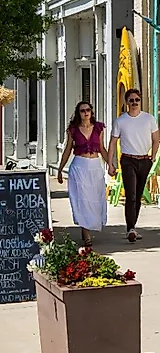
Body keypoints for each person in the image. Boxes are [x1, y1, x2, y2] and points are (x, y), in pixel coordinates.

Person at [108, 89, 160, 243]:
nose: (135, 103)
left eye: (137, 99)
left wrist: (153, 156)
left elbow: (156, 139)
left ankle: (133, 227)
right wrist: (110, 163)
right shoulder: (120, 121)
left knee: (137, 196)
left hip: (144, 160)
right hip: (128, 160)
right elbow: (112, 142)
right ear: (126, 102)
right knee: (130, 195)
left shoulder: (149, 119)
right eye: (131, 100)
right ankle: (130, 228)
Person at [57, 101, 109, 248]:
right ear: (78, 113)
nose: (85, 113)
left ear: (91, 112)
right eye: (82, 110)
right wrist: (60, 169)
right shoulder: (73, 130)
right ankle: (86, 234)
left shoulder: (98, 128)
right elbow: (68, 149)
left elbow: (102, 148)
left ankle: (86, 225)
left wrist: (110, 164)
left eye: (88, 110)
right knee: (83, 200)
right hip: (80, 166)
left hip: (95, 167)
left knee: (95, 199)